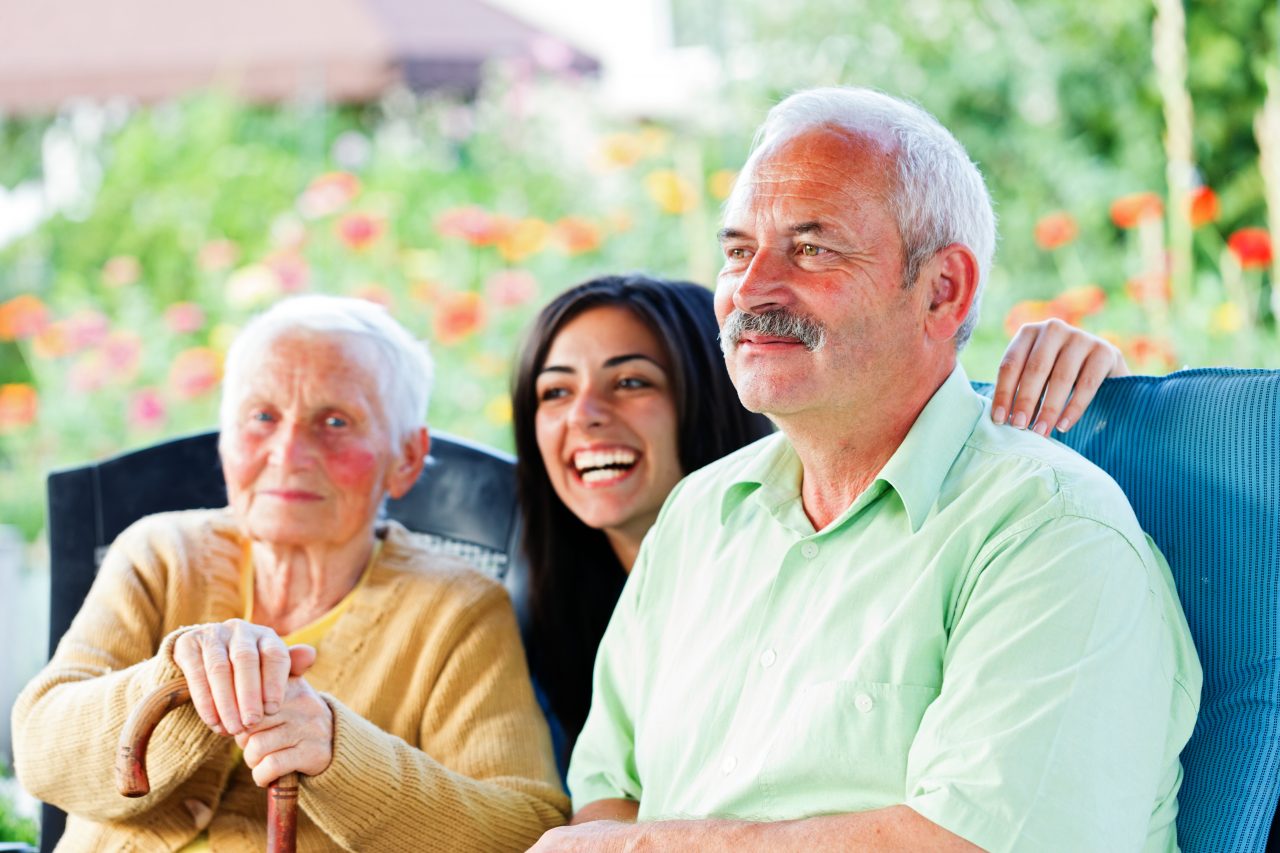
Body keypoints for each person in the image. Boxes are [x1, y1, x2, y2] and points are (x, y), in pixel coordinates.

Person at [535, 88, 1201, 852]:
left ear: (942, 289)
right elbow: (608, 793)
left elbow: (978, 844)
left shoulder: (1051, 531)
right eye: (737, 251)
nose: (751, 291)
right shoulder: (699, 512)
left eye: (813, 249)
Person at [12, 295, 568, 852]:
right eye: (262, 417)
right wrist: (183, 682)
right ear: (226, 439)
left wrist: (339, 755)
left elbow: (524, 827)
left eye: (334, 421)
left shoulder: (457, 608)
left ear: (406, 459)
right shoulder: (158, 554)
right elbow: (40, 750)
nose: (289, 452)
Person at [513, 275, 1130, 762]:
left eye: (631, 381)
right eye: (555, 391)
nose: (585, 416)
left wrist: (1102, 394)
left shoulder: (918, 544)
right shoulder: (534, 598)